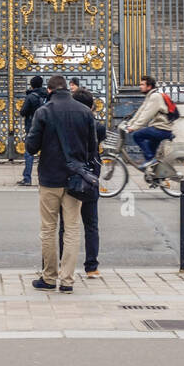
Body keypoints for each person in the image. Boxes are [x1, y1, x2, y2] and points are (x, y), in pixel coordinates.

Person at [25, 73, 97, 292]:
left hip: (50, 178)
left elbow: (31, 147)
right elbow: (92, 148)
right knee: (73, 229)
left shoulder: (43, 112)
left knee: (48, 228)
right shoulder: (85, 112)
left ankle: (49, 278)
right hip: (75, 179)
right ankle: (67, 280)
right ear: (67, 88)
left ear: (49, 90)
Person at [57, 88, 103, 278]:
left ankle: (63, 264)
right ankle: (91, 267)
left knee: (65, 225)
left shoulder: (66, 125)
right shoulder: (97, 126)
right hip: (90, 177)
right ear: (92, 106)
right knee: (91, 224)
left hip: (70, 176)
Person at [126, 75, 175, 171]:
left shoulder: (155, 97)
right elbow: (141, 111)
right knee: (150, 153)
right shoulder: (150, 96)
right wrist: (130, 123)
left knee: (137, 135)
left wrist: (134, 127)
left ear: (149, 86)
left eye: (142, 84)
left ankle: (150, 160)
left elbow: (146, 115)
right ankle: (157, 178)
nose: (140, 86)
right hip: (158, 128)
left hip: (161, 129)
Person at [16, 74, 48, 186]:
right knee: (46, 153)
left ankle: (27, 178)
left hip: (32, 127)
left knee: (29, 153)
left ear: (32, 85)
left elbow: (23, 112)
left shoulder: (30, 97)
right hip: (46, 128)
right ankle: (44, 178)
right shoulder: (47, 95)